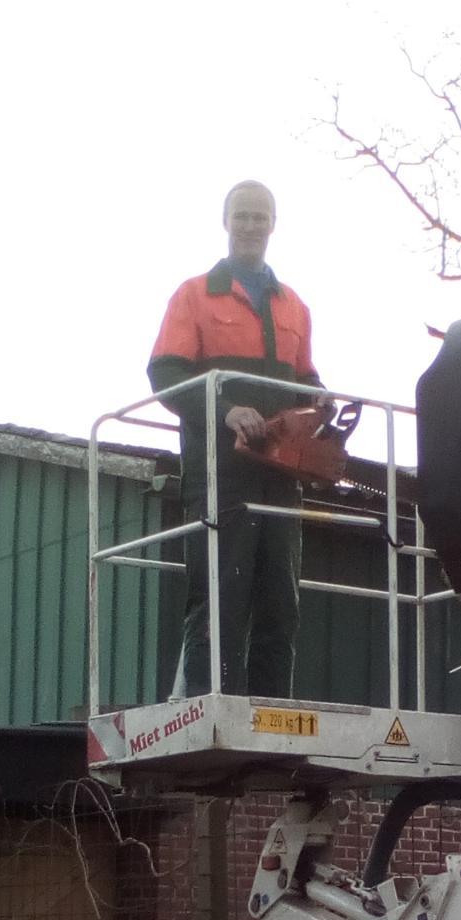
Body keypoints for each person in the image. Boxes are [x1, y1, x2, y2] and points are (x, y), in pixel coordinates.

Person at [147, 180, 321, 698]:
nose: (250, 226)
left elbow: (306, 380)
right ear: (225, 221)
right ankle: (211, 710)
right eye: (241, 216)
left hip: (281, 479)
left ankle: (271, 714)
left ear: (274, 224)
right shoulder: (194, 295)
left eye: (259, 216)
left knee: (280, 602)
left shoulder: (294, 306)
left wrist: (322, 405)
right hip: (219, 476)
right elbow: (165, 374)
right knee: (220, 597)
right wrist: (226, 412)